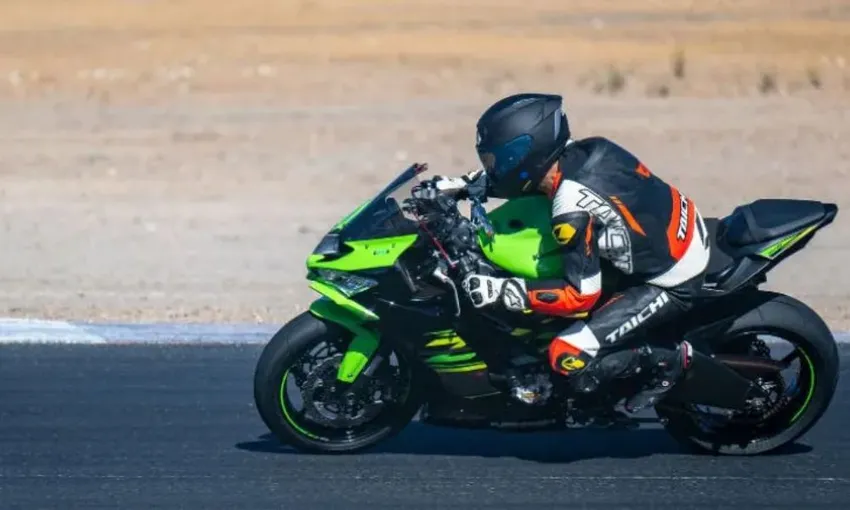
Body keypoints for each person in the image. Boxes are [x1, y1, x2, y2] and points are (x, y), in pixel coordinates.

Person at [415, 93, 710, 414]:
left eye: (497, 160)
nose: (494, 168)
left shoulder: (570, 207)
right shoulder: (584, 151)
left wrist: (500, 290)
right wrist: (457, 186)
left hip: (671, 278)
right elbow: (520, 180)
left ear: (524, 153)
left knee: (567, 352)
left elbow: (580, 295)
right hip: (672, 232)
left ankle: (669, 360)